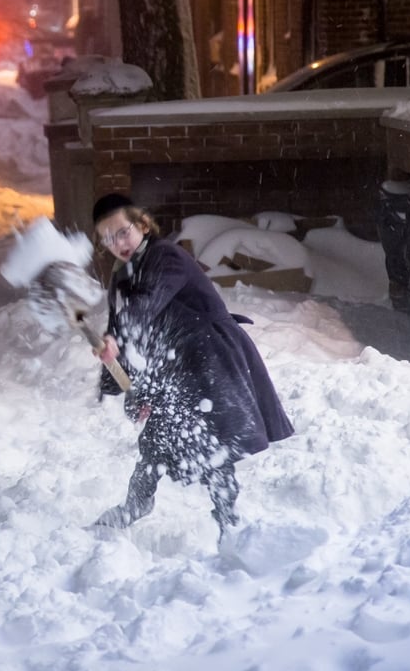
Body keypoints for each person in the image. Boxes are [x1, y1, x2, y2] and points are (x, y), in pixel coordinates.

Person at [90, 193, 294, 542]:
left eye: (122, 232)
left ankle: (229, 525)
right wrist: (125, 376)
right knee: (155, 439)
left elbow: (145, 306)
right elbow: (124, 324)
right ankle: (136, 505)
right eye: (108, 238)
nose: (117, 243)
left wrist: (120, 338)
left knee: (213, 443)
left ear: (141, 224)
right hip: (174, 363)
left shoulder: (165, 257)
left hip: (210, 355)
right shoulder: (123, 274)